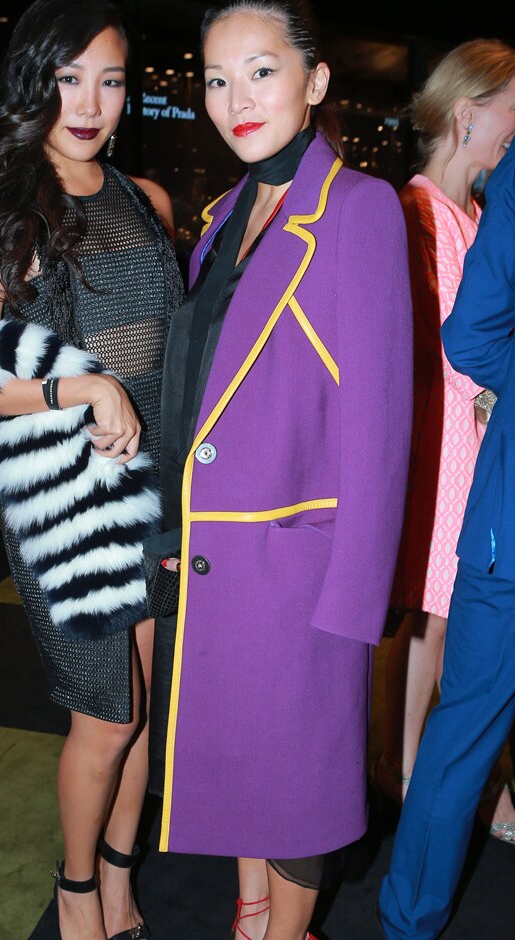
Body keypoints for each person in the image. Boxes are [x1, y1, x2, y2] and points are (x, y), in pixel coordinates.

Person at [0, 3, 183, 939]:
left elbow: (172, 350)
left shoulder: (148, 202)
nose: (91, 104)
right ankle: (75, 897)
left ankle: (120, 881)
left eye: (111, 81)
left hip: (154, 489)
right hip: (65, 506)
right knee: (105, 718)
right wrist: (82, 389)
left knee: (144, 712)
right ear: (35, 83)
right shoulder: (0, 214)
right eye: (69, 80)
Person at [151, 3, 413, 939]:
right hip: (217, 555)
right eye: (217, 81)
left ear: (316, 81)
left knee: (298, 793)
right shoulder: (222, 216)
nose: (238, 100)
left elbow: (381, 421)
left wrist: (353, 602)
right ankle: (252, 916)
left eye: (262, 71)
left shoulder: (359, 210)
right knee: (241, 777)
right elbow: (194, 385)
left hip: (300, 565)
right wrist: (173, 522)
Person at [378, 104, 515, 940]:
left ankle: (407, 923)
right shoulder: (423, 206)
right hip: (465, 472)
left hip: (499, 506)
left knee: (461, 724)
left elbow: (472, 334)